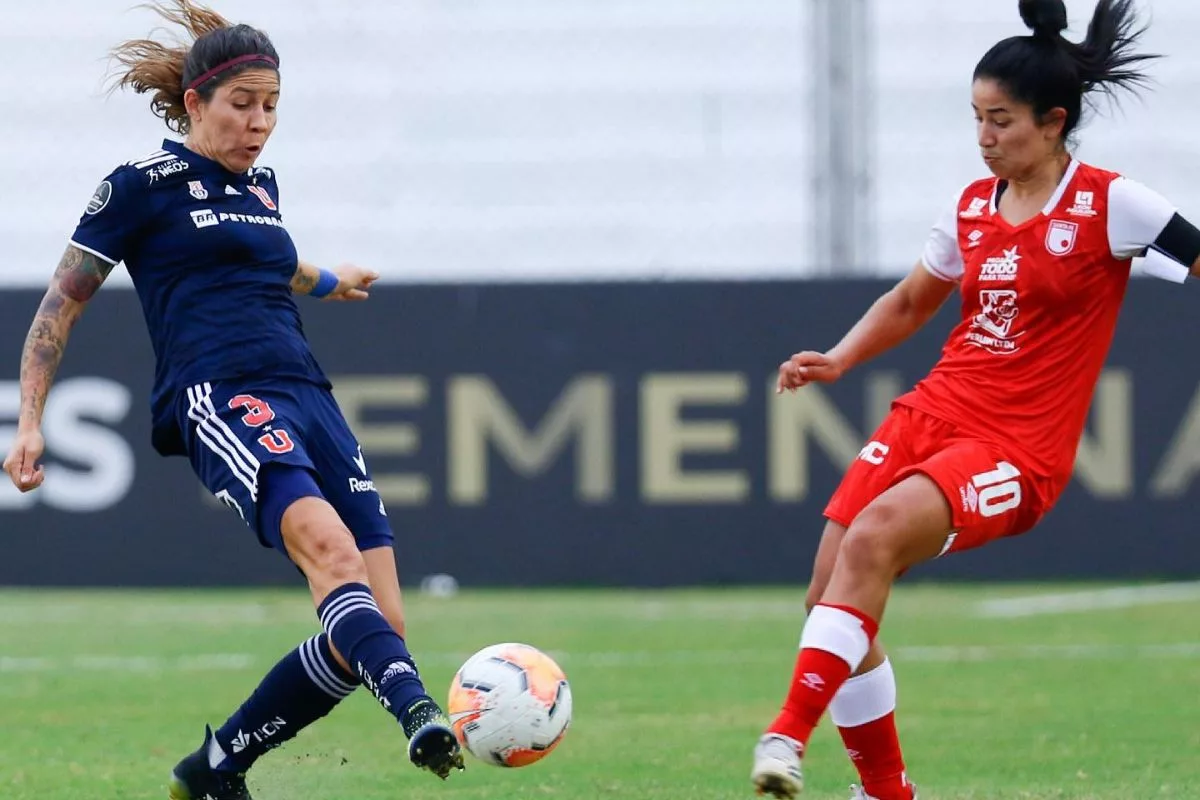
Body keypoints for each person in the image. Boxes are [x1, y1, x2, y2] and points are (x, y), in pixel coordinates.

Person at [1, 2, 463, 798]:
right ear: (196, 103)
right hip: (220, 395)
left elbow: (268, 262)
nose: (260, 123)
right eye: (243, 104)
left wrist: (329, 281)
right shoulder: (139, 186)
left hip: (309, 395)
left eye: (272, 106)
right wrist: (32, 423)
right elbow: (60, 303)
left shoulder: (262, 186)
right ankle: (421, 712)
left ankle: (215, 771)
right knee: (332, 556)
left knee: (378, 630)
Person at [749, 1, 1200, 798]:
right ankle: (887, 792)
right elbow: (913, 302)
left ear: (1053, 123)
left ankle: (786, 735)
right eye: (977, 119)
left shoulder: (1112, 204)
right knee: (830, 594)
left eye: (1002, 121)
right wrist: (840, 358)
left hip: (1016, 449)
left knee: (876, 536)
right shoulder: (970, 207)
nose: (985, 137)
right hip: (931, 412)